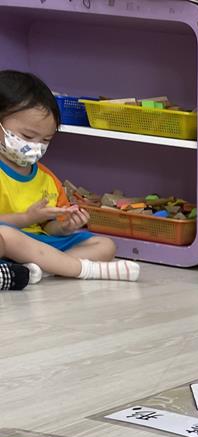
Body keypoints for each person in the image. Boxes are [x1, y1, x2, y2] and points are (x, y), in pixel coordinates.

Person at [0, 70, 139, 282]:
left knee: (104, 245)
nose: (36, 146)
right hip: (7, 243)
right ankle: (82, 269)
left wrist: (64, 226)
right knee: (6, 236)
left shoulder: (47, 178)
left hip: (40, 244)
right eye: (27, 136)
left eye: (46, 140)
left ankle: (38, 269)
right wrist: (26, 218)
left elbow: (48, 227)